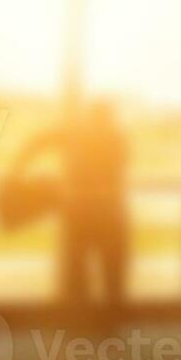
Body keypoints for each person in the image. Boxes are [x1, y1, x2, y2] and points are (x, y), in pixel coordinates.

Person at [8, 101, 129, 311]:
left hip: (82, 211)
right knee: (112, 272)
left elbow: (37, 143)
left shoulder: (77, 136)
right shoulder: (115, 140)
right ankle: (109, 321)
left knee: (81, 271)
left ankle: (84, 318)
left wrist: (17, 171)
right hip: (108, 212)